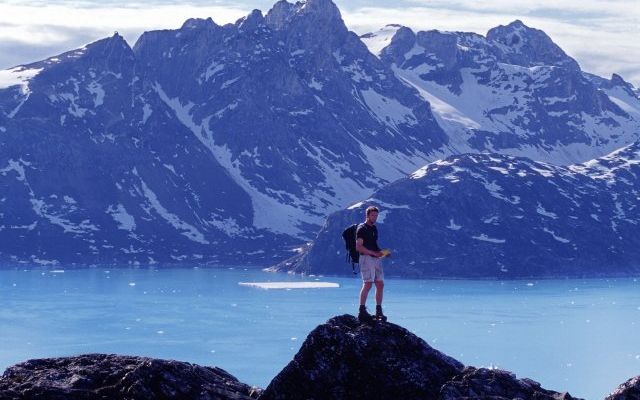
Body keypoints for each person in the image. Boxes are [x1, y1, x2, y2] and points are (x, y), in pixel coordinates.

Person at [356, 206, 387, 323]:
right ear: (367, 215)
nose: (375, 217)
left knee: (380, 284)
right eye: (373, 215)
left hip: (375, 258)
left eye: (376, 215)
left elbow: (373, 243)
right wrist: (372, 253)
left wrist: (381, 252)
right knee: (368, 284)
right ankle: (361, 311)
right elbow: (358, 246)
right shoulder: (361, 228)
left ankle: (378, 310)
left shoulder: (374, 228)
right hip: (366, 258)